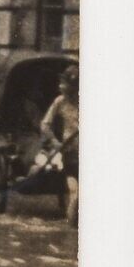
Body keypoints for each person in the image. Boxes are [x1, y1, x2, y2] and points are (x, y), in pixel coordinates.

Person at [40, 65, 79, 225]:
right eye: (61, 83)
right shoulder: (60, 101)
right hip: (69, 152)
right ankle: (71, 228)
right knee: (76, 193)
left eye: (65, 84)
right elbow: (45, 124)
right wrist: (55, 142)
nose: (61, 87)